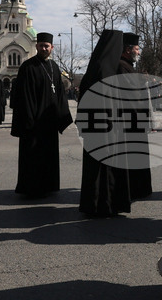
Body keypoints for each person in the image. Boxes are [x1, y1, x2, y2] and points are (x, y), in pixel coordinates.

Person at [10, 32, 72, 197]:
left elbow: (60, 93)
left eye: (47, 46)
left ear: (52, 47)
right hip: (34, 123)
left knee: (49, 156)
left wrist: (62, 116)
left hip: (49, 122)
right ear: (36, 46)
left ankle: (49, 186)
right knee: (33, 156)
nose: (44, 48)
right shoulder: (28, 67)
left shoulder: (54, 67)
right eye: (41, 45)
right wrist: (30, 121)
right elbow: (24, 97)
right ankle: (31, 188)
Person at [78, 29, 132, 216]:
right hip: (106, 128)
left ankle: (98, 203)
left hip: (99, 128)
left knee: (98, 169)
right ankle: (104, 205)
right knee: (105, 168)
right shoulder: (105, 70)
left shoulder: (96, 68)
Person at [119, 32, 152, 200]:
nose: (139, 52)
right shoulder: (122, 67)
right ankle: (135, 188)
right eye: (137, 49)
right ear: (128, 49)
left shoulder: (129, 66)